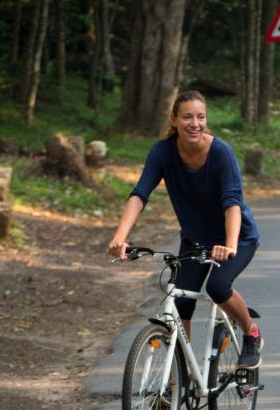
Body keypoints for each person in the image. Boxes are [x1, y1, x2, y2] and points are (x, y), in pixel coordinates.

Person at [108, 90, 263, 369]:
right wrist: (120, 237)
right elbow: (140, 194)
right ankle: (178, 378)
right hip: (196, 241)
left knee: (218, 287)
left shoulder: (221, 153)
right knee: (180, 304)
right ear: (174, 120)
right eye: (187, 117)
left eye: (200, 117)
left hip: (237, 238)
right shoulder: (162, 152)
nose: (195, 124)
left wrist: (229, 245)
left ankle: (251, 332)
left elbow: (232, 202)